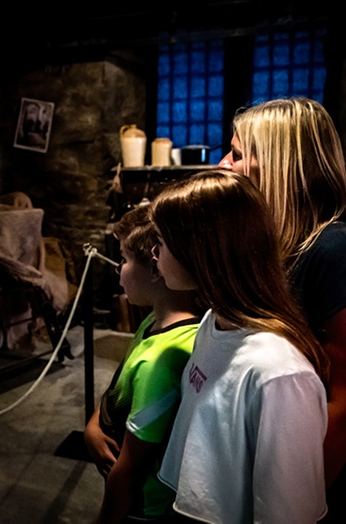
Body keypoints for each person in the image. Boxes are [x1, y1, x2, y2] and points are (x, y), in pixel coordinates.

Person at [151, 170, 329, 523]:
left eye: (162, 241)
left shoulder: (279, 374)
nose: (154, 254)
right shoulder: (212, 323)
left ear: (199, 251)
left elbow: (290, 514)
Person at [219, 97, 346, 521]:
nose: (223, 164)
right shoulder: (274, 247)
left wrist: (301, 500)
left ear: (278, 164)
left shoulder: (331, 249)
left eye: (237, 154)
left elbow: (343, 397)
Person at [84, 205, 202, 523]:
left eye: (123, 259)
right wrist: (94, 426)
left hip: (143, 505)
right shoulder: (155, 321)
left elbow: (130, 471)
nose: (117, 269)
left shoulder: (162, 360)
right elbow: (120, 383)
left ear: (155, 267)